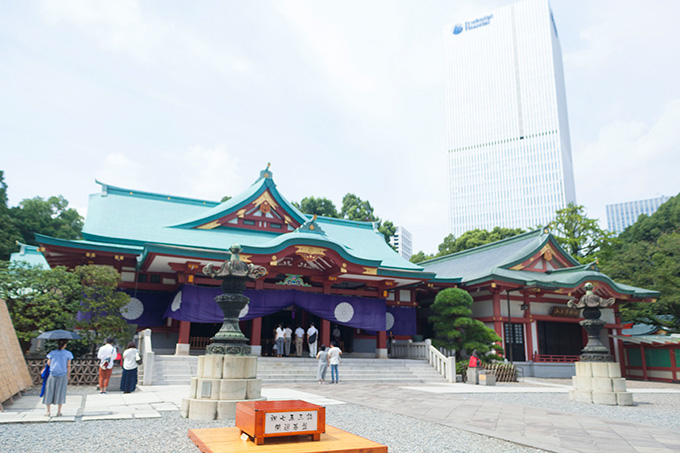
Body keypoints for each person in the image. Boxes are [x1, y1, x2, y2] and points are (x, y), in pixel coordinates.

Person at [43, 339, 73, 417]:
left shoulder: (52, 353)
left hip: (53, 374)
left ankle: (48, 411)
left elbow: (48, 363)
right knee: (61, 392)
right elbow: (68, 365)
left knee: (49, 391)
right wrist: (68, 375)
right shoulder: (68, 354)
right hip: (62, 374)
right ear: (65, 345)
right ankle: (59, 411)